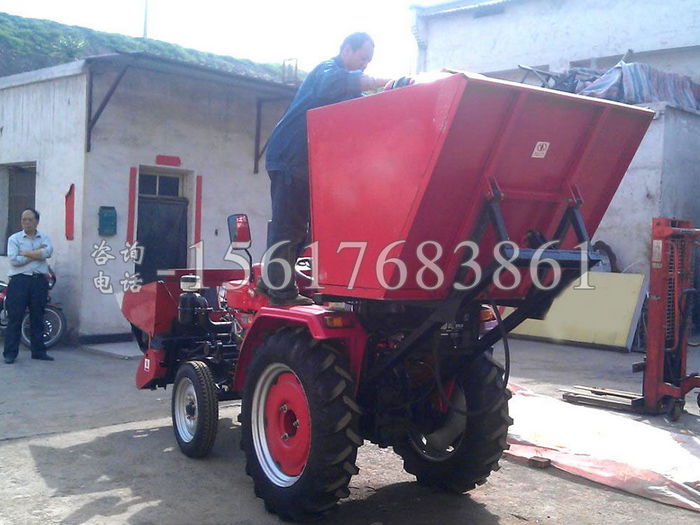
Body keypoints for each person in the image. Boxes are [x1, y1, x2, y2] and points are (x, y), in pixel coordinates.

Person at [260, 32, 391, 305]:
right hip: (290, 157)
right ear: (346, 50)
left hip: (308, 164)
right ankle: (281, 293)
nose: (365, 64)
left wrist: (393, 94)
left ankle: (269, 280)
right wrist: (384, 81)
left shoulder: (347, 88)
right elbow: (336, 85)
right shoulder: (327, 72)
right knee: (289, 226)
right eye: (363, 57)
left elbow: (364, 106)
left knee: (304, 230)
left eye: (369, 60)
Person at [3, 208, 55, 363]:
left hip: (39, 281)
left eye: (30, 219)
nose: (26, 222)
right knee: (15, 317)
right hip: (20, 281)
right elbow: (15, 260)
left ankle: (38, 351)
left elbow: (48, 253)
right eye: (23, 219)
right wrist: (37, 253)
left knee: (37, 317)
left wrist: (25, 253)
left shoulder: (44, 237)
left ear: (37, 221)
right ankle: (10, 353)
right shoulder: (14, 239)